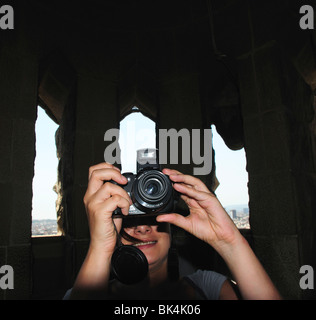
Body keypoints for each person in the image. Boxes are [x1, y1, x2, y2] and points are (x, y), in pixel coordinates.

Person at [68, 162, 281, 300]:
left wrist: (229, 242)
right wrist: (100, 248)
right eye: (129, 219)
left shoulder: (210, 288)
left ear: (172, 227)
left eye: (156, 217)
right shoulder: (83, 293)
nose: (142, 227)